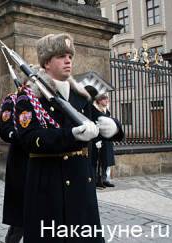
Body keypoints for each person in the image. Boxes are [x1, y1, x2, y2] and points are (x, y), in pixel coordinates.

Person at [14, 33, 123, 243]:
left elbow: (99, 120)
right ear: (46, 62)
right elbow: (29, 139)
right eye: (61, 56)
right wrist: (70, 135)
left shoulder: (81, 96)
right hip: (48, 184)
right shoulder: (29, 97)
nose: (68, 60)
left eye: (70, 56)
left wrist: (114, 128)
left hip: (81, 182)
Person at [0, 93, 28, 243]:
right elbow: (5, 129)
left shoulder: (49, 97)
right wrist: (26, 136)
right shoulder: (13, 100)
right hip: (22, 161)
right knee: (20, 216)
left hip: (46, 163)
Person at [91, 93, 120, 188]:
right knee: (99, 160)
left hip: (107, 139)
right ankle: (97, 180)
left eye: (107, 99)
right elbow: (94, 125)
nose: (107, 101)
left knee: (107, 160)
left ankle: (106, 179)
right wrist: (96, 140)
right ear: (99, 100)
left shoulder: (107, 111)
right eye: (105, 99)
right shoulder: (94, 110)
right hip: (99, 139)